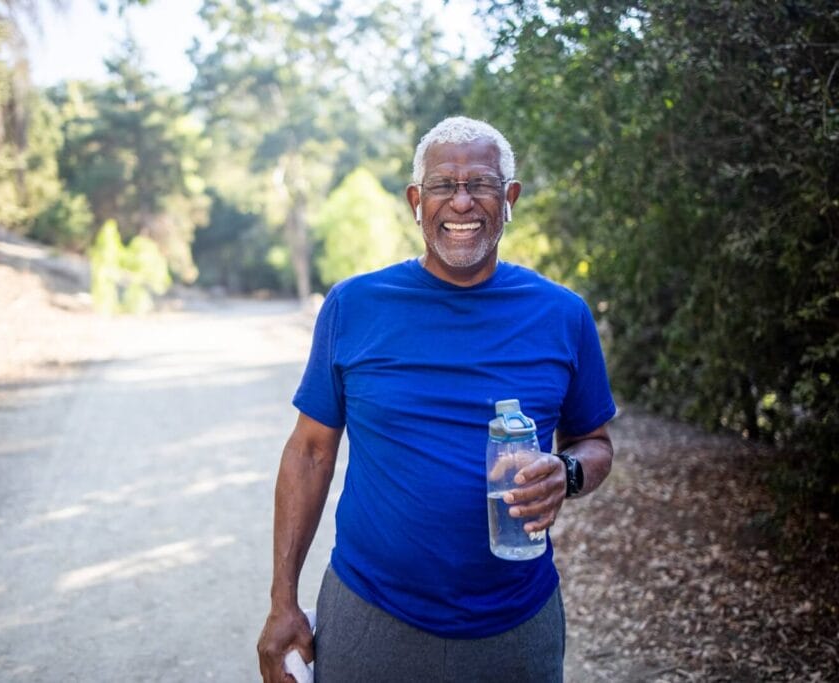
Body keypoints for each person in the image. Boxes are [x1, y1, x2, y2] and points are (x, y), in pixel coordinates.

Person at [257, 116, 616, 682]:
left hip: (517, 624)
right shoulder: (355, 307)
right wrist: (283, 602)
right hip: (371, 615)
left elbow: (593, 441)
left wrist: (567, 472)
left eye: (482, 185)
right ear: (416, 201)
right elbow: (309, 453)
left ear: (510, 198)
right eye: (445, 186)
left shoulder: (563, 315)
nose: (463, 203)